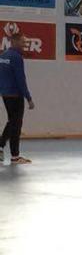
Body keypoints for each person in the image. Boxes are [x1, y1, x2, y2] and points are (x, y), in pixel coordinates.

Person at [0, 33, 35, 165]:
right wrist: (28, 98)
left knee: (12, 122)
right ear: (14, 42)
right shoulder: (16, 57)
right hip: (15, 95)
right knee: (16, 125)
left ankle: (0, 145)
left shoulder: (3, 56)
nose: (24, 45)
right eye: (22, 42)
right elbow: (21, 80)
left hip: (5, 95)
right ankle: (15, 156)